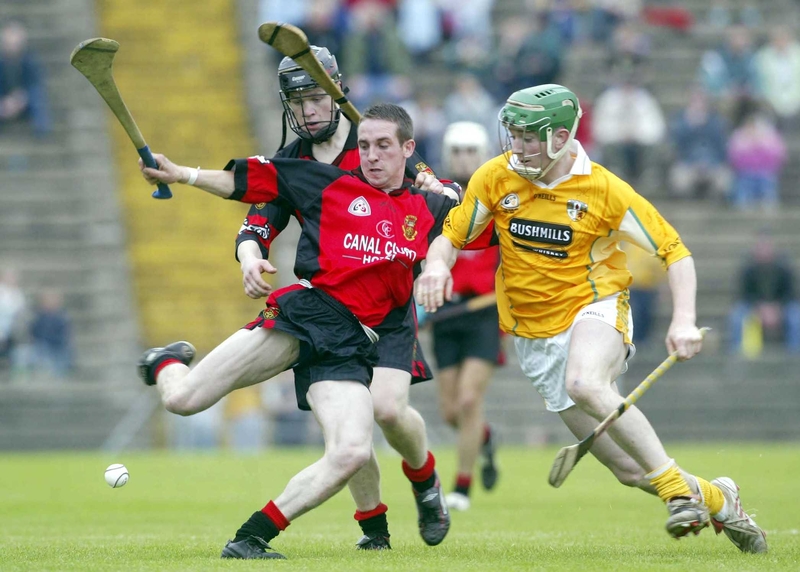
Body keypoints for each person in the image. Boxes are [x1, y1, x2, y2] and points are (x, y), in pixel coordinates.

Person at [415, 84, 768, 553]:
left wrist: (683, 319)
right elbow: (452, 236)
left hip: (595, 307)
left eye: (528, 137)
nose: (516, 146)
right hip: (534, 337)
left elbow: (674, 251)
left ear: (561, 137)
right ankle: (719, 498)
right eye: (513, 134)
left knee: (585, 382)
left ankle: (676, 495)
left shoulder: (602, 189)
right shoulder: (496, 176)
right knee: (627, 471)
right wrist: (438, 264)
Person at [138, 103, 467, 559]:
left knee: (352, 450)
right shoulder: (326, 182)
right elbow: (243, 182)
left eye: (383, 147)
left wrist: (445, 218)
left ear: (408, 150)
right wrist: (183, 175)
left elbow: (471, 225)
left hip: (353, 345)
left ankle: (249, 538)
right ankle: (166, 363)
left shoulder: (429, 203)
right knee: (182, 401)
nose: (370, 156)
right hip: (306, 317)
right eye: (365, 146)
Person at [236, 46, 460, 550]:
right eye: (298, 101)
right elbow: (257, 224)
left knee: (387, 409)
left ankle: (425, 481)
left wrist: (446, 190)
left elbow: (439, 197)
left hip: (389, 310)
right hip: (332, 312)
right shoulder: (291, 162)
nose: (309, 110)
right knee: (349, 430)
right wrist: (250, 256)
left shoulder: (372, 142)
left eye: (317, 97)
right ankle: (374, 532)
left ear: (337, 95)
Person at [428, 121, 501, 512]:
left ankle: (462, 486)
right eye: (457, 151)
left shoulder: (499, 194)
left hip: (484, 311)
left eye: (471, 151)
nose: (464, 159)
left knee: (470, 399)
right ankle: (486, 438)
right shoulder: (435, 197)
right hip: (446, 312)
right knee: (451, 412)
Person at [727, 230, 800, 356]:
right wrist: (760, 308)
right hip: (754, 306)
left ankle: (794, 355)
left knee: (795, 317)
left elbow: (790, 292)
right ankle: (737, 354)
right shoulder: (748, 269)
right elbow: (744, 293)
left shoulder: (784, 268)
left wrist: (777, 308)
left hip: (781, 306)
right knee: (737, 317)